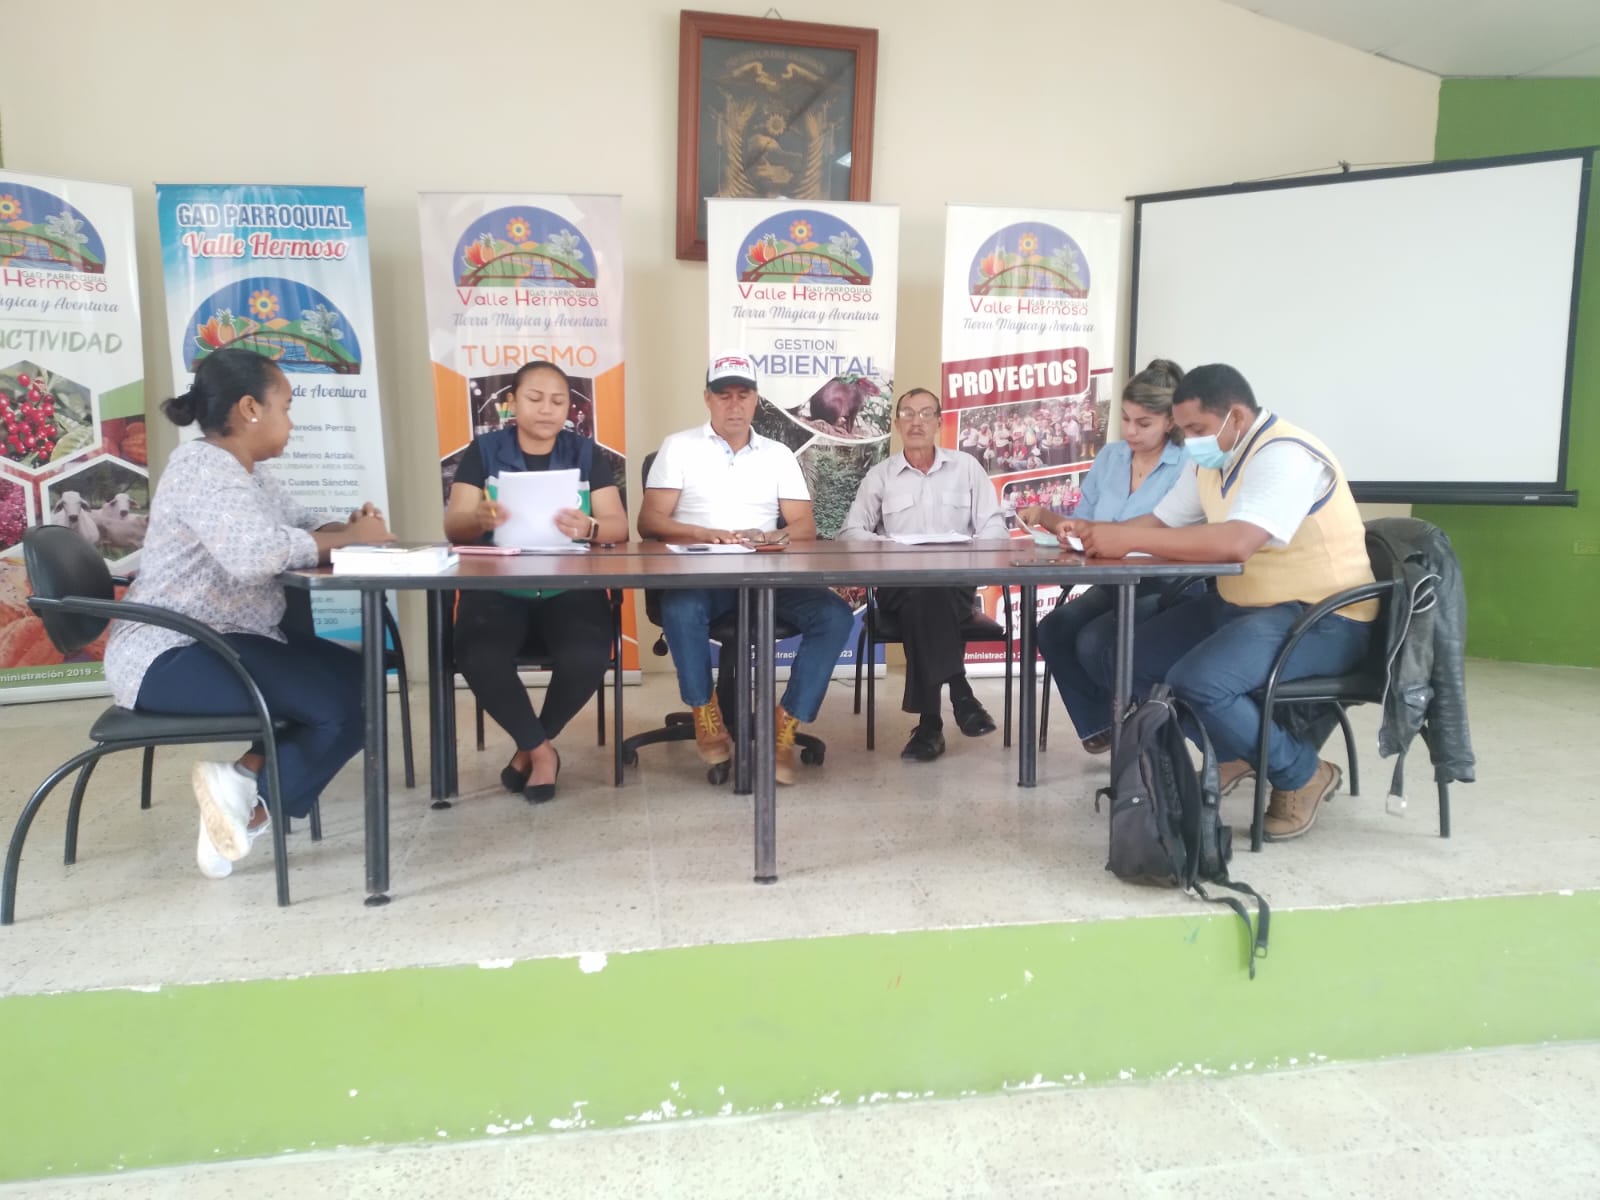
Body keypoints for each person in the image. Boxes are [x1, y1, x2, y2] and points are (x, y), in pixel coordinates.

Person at [103, 348, 393, 880]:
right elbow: (254, 554)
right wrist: (350, 538)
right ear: (249, 408)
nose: (291, 421)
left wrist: (349, 526)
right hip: (168, 654)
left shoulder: (249, 474)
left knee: (364, 681)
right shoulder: (202, 468)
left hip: (224, 638)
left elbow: (302, 525)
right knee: (336, 705)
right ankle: (248, 809)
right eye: (285, 406)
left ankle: (239, 788)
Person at [1059, 363, 1377, 840]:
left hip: (1322, 615)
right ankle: (1234, 753)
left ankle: (1302, 773)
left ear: (1237, 417)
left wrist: (1124, 539)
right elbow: (1161, 523)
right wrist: (1097, 532)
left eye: (1196, 429)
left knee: (1201, 681)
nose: (1189, 440)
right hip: (1243, 606)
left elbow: (1236, 543)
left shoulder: (1285, 455)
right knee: (1124, 656)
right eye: (1185, 430)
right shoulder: (1214, 458)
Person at [637, 351, 854, 784]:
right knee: (680, 608)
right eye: (724, 395)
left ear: (756, 400)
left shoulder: (778, 454)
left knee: (834, 617)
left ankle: (785, 724)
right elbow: (649, 521)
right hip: (701, 575)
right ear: (708, 399)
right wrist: (703, 533)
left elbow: (804, 526)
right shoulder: (679, 447)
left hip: (767, 576)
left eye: (744, 394)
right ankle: (706, 713)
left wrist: (774, 536)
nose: (734, 405)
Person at [443, 360, 628, 804]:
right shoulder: (485, 450)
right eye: (535, 398)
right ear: (511, 402)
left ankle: (529, 747)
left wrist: (590, 527)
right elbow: (454, 527)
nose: (547, 409)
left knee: (587, 655)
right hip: (497, 587)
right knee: (477, 653)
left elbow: (618, 525)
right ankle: (542, 752)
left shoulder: (585, 452)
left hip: (570, 586)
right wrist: (478, 518)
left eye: (558, 401)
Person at [1023, 360, 1189, 755]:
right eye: (1126, 419)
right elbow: (1086, 520)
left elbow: (1180, 532)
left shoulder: (1189, 464)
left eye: (1143, 423)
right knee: (1053, 629)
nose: (1130, 431)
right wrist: (1068, 529)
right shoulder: (1111, 457)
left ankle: (1142, 718)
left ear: (1170, 421)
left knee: (1094, 641)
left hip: (1168, 585)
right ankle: (1105, 724)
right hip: (1112, 581)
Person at [837, 387, 1009, 761]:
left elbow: (995, 528)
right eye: (908, 414)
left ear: (939, 422)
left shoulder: (967, 468)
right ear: (897, 423)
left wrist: (969, 551)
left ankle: (931, 726)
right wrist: (892, 547)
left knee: (929, 597)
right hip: (898, 586)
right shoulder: (881, 476)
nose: (916, 422)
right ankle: (961, 694)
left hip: (954, 586)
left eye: (926, 413)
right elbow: (850, 533)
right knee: (922, 593)